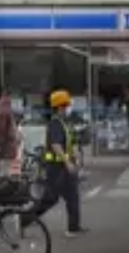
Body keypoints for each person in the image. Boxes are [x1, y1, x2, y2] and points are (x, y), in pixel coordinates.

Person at [30, 89, 87, 237]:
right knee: (51, 198)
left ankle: (73, 228)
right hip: (56, 168)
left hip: (65, 166)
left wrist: (77, 158)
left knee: (73, 196)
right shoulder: (55, 124)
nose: (68, 108)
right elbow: (56, 145)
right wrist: (68, 162)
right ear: (59, 107)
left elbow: (71, 143)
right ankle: (25, 219)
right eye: (66, 105)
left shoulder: (64, 123)